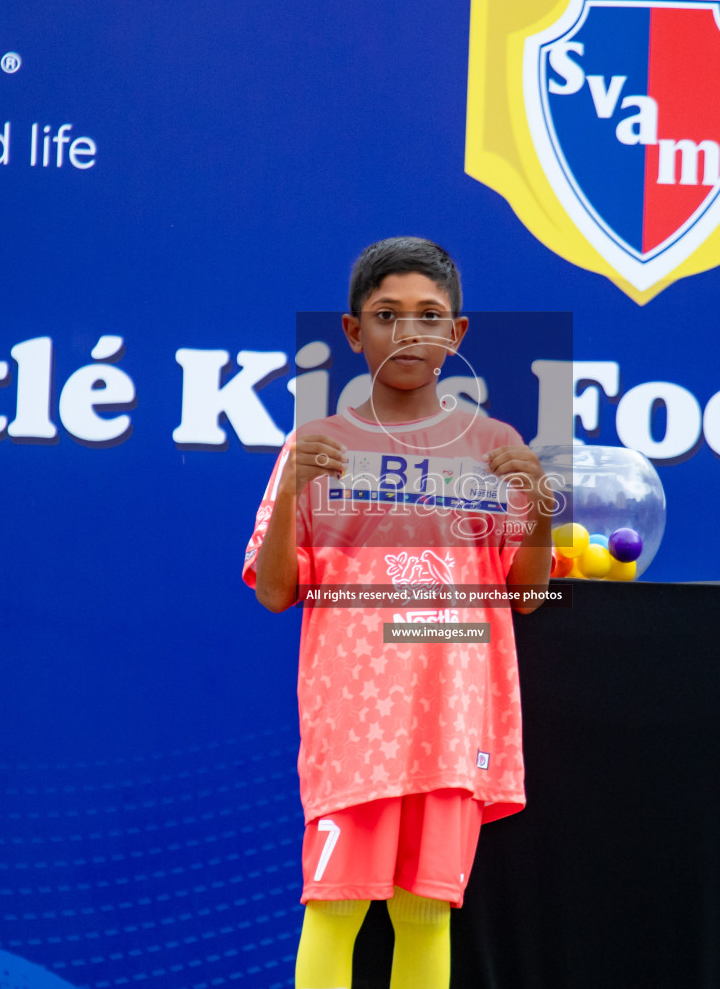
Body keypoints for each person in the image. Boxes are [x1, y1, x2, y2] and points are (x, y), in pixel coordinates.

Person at [242, 237, 554, 989]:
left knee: (425, 911)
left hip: (452, 725)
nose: (408, 334)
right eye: (387, 316)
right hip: (355, 724)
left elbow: (528, 597)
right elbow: (275, 590)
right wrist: (290, 498)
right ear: (353, 332)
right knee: (336, 907)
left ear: (458, 334)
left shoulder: (496, 448)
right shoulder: (315, 446)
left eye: (429, 316)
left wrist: (540, 511)